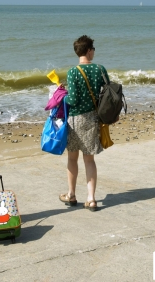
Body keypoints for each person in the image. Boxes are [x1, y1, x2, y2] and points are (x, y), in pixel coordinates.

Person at [59, 35, 110, 211]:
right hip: (94, 119)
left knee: (72, 158)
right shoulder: (100, 70)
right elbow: (108, 94)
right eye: (93, 49)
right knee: (89, 160)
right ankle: (92, 198)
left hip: (75, 120)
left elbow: (72, 100)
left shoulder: (73, 72)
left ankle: (71, 195)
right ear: (88, 50)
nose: (94, 52)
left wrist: (62, 95)